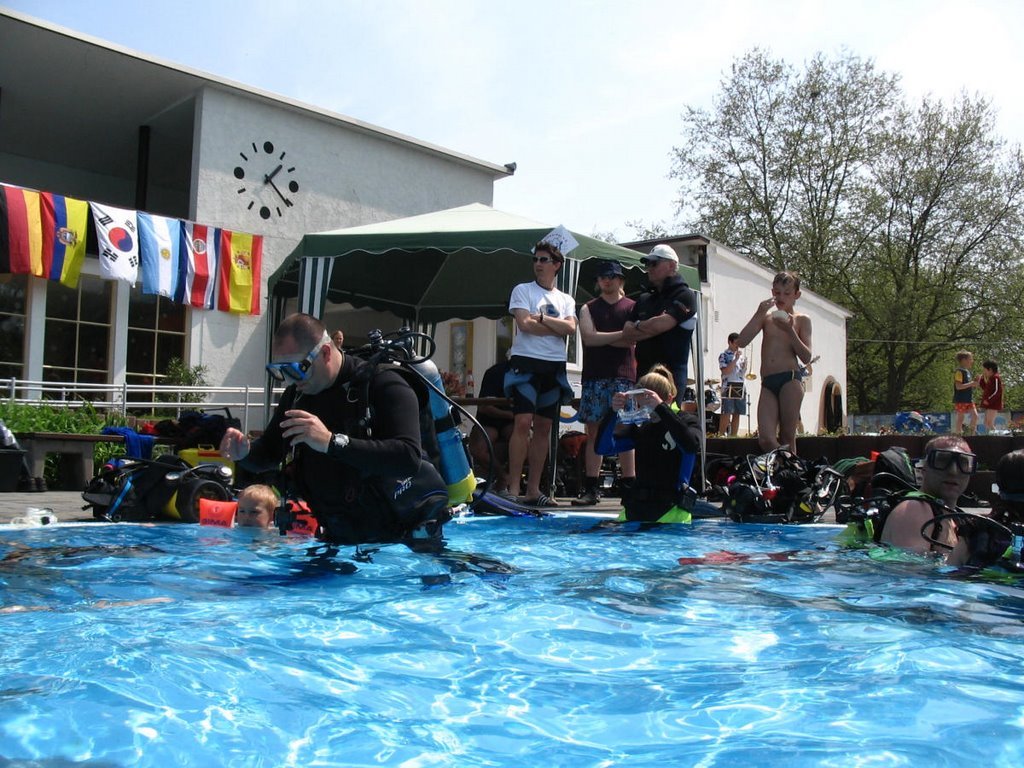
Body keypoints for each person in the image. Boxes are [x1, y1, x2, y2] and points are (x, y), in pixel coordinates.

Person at [219, 313, 446, 545]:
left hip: (404, 541)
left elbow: (407, 457)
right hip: (340, 536)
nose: (289, 379)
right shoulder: (297, 396)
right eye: (281, 370)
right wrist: (244, 453)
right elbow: (269, 453)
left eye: (296, 368)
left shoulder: (385, 384)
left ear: (325, 352)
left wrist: (331, 441)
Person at [504, 241, 577, 507]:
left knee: (544, 427)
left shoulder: (566, 299)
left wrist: (544, 320)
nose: (538, 264)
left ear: (556, 265)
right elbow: (524, 325)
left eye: (544, 259)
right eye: (535, 259)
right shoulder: (522, 290)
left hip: (553, 365)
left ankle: (534, 489)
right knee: (523, 423)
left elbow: (570, 329)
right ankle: (514, 487)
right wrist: (555, 327)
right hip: (526, 363)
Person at [595, 364, 702, 523]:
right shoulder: (642, 427)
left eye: (648, 405)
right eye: (640, 405)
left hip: (671, 511)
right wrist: (612, 412)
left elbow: (691, 445)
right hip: (636, 508)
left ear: (668, 399)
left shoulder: (687, 421)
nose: (644, 410)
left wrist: (661, 409)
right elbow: (602, 448)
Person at [574, 260, 637, 506]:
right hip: (594, 377)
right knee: (594, 432)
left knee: (626, 432)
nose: (606, 280)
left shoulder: (633, 307)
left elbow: (633, 341)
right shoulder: (588, 308)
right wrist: (621, 335)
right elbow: (589, 339)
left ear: (620, 280)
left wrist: (605, 338)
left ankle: (630, 486)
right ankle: (591, 488)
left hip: (624, 377)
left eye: (611, 276)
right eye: (602, 277)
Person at [736, 271, 813, 454]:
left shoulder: (801, 320)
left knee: (787, 436)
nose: (781, 298)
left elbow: (806, 356)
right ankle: (792, 465)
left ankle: (793, 473)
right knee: (766, 439)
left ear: (796, 295)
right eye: (777, 293)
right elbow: (741, 341)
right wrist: (759, 312)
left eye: (787, 293)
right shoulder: (767, 318)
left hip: (790, 379)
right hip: (768, 382)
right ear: (772, 292)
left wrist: (790, 330)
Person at [620, 243, 697, 406]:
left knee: (667, 426)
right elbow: (626, 333)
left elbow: (660, 325)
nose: (649, 268)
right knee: (641, 428)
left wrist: (639, 325)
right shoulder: (645, 298)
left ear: (672, 265)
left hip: (671, 380)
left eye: (654, 263)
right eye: (647, 264)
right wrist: (651, 326)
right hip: (643, 376)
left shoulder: (685, 295)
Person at [878, 436, 976, 564]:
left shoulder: (955, 518)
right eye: (942, 460)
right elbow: (906, 574)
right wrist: (958, 560)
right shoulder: (914, 509)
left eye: (963, 463)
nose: (953, 471)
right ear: (924, 468)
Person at [469, 356, 515, 498]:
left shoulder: (531, 374)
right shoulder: (495, 373)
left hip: (513, 421)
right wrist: (510, 415)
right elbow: (484, 407)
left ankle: (511, 482)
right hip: (490, 419)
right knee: (478, 448)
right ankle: (502, 477)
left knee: (524, 439)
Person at [718, 332, 747, 436]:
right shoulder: (723, 355)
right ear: (730, 342)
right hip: (728, 385)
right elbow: (725, 371)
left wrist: (744, 366)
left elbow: (742, 373)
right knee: (727, 412)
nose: (737, 346)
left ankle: (733, 436)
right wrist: (735, 359)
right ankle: (721, 434)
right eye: (735, 343)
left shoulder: (741, 357)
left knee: (737, 413)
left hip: (740, 385)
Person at [952, 350, 979, 435]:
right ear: (964, 360)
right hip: (961, 398)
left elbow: (967, 385)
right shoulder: (959, 372)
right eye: (970, 359)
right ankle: (958, 434)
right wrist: (971, 383)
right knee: (961, 418)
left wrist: (975, 381)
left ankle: (972, 434)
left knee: (975, 416)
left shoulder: (967, 372)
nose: (972, 361)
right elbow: (958, 386)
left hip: (969, 398)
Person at [979, 359, 1003, 434]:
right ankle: (991, 438)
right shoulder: (991, 379)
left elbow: (997, 391)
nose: (984, 372)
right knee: (986, 423)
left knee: (989, 423)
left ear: (990, 370)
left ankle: (996, 438)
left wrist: (988, 400)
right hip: (989, 404)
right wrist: (981, 379)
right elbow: (986, 389)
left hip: (993, 404)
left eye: (985, 370)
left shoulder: (995, 378)